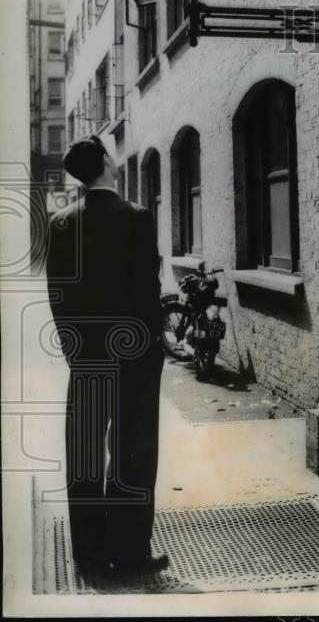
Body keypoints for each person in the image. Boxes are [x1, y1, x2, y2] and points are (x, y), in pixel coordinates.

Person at [46, 135, 169, 577]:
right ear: (104, 162)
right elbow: (146, 291)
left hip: (86, 360)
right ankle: (130, 552)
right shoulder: (136, 217)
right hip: (134, 358)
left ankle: (89, 557)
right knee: (132, 452)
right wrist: (154, 344)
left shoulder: (60, 223)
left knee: (83, 454)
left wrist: (74, 352)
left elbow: (56, 295)